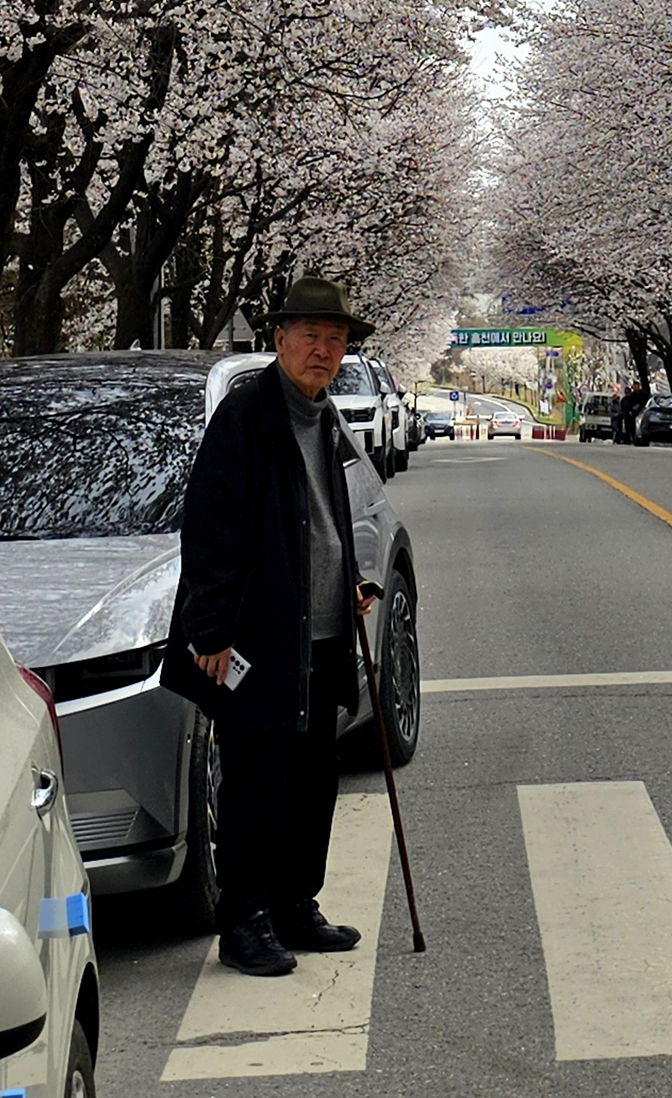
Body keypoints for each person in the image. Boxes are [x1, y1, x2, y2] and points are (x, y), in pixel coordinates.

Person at [161, 276, 383, 977]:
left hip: (319, 628)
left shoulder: (323, 415)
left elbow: (318, 519)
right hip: (257, 633)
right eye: (310, 335)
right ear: (279, 338)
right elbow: (211, 528)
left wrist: (347, 579)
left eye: (335, 338)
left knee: (312, 775)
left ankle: (294, 902)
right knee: (257, 779)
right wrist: (209, 629)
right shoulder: (246, 414)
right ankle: (244, 918)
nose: (323, 349)